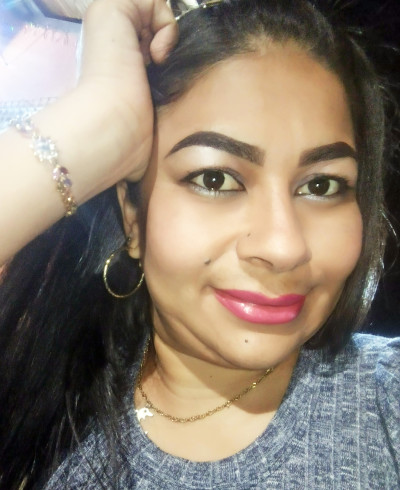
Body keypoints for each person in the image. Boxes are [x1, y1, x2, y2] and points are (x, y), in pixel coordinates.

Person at [0, 0, 399, 488]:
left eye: (321, 186)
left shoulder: (386, 400)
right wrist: (103, 119)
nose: (283, 247)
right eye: (215, 179)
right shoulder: (38, 404)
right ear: (133, 216)